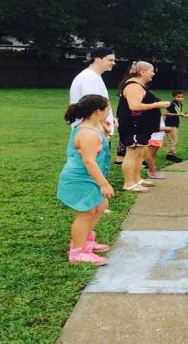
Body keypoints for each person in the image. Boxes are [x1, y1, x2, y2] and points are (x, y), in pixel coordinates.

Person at [57, 95, 115, 265]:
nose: (109, 112)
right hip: (80, 178)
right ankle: (77, 251)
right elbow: (89, 161)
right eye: (107, 109)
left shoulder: (92, 126)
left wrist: (105, 132)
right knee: (86, 213)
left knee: (101, 205)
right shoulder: (88, 133)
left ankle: (84, 241)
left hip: (88, 177)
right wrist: (104, 184)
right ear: (98, 111)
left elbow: (98, 144)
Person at [117, 61, 170, 193]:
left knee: (139, 153)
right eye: (151, 71)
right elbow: (134, 106)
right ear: (142, 72)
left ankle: (137, 179)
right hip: (133, 126)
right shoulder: (134, 86)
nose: (153, 73)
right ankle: (129, 183)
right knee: (133, 153)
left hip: (141, 127)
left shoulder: (139, 86)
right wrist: (157, 105)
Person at [69, 46, 117, 137]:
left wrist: (110, 119)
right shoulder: (90, 78)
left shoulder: (93, 76)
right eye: (110, 60)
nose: (113, 63)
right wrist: (101, 131)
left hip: (92, 131)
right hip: (91, 133)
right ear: (98, 59)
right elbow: (92, 108)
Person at [164, 90, 188, 162]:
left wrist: (183, 115)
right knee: (172, 140)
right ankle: (171, 154)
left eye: (182, 97)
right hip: (170, 123)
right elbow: (165, 113)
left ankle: (171, 153)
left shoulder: (179, 104)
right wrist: (178, 115)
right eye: (178, 97)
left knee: (174, 139)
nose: (180, 98)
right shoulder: (172, 104)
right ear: (174, 97)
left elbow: (178, 113)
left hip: (175, 123)